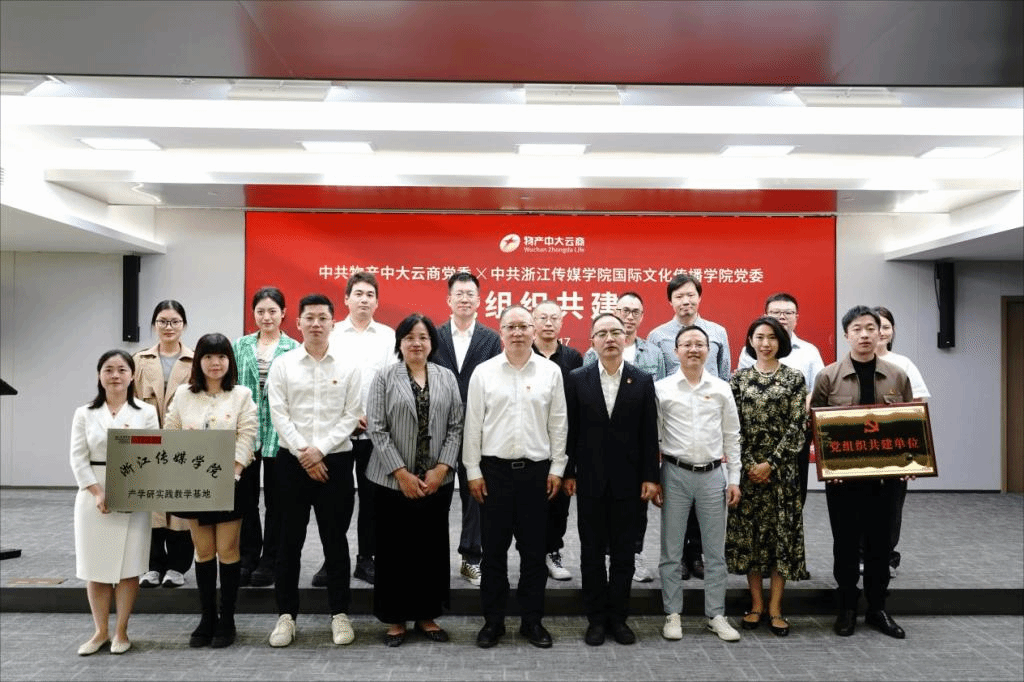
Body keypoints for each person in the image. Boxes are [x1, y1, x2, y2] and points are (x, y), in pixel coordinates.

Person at [463, 305, 568, 649]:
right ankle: (493, 622)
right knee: (493, 553)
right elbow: (473, 425)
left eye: (524, 326)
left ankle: (531, 622)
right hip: (493, 475)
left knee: (534, 554)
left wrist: (557, 468)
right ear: (501, 332)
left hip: (536, 475)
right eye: (511, 327)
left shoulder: (551, 372)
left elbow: (559, 423)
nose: (518, 332)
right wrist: (473, 471)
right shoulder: (484, 373)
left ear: (534, 331)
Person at [266, 294, 363, 648]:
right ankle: (286, 616)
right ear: (298, 323)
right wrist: (304, 453)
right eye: (310, 317)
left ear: (333, 322)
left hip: (335, 462)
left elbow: (352, 415)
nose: (316, 324)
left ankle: (339, 614)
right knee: (288, 541)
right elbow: (279, 414)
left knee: (335, 540)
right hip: (291, 462)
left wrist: (319, 450)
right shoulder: (283, 365)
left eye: (323, 317)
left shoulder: (349, 365)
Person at [810, 305, 913, 639]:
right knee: (846, 543)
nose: (865, 334)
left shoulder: (897, 375)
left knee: (880, 544)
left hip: (886, 478)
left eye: (871, 328)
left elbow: (908, 422)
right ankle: (847, 608)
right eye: (857, 329)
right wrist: (828, 465)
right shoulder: (828, 376)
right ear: (846, 335)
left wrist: (912, 461)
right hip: (844, 479)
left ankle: (878, 608)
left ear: (881, 332)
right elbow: (816, 427)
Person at [365, 313, 463, 647]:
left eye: (423, 337)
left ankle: (426, 615)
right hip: (392, 482)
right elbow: (377, 428)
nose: (416, 343)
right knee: (394, 550)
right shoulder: (384, 377)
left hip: (436, 482)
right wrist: (401, 473)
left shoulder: (446, 377)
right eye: (409, 337)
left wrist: (442, 468)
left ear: (432, 343)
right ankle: (396, 619)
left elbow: (456, 426)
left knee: (430, 549)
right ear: (400, 343)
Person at [564, 313, 660, 646]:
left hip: (629, 482)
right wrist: (568, 472)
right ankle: (595, 619)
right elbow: (570, 431)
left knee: (623, 553)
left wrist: (651, 477)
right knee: (591, 553)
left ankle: (618, 618)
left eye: (616, 332)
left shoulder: (642, 380)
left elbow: (649, 433)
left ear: (626, 338)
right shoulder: (577, 379)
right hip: (589, 480)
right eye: (602, 333)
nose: (610, 338)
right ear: (592, 341)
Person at [165, 333, 258, 649]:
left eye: (221, 356)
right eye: (208, 356)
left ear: (229, 360)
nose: (215, 363)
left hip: (232, 481)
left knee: (228, 550)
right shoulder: (183, 395)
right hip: (195, 483)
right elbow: (171, 432)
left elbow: (247, 435)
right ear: (198, 361)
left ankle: (227, 619)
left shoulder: (241, 394)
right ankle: (207, 618)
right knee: (203, 551)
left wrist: (234, 471)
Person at [655, 325, 743, 643]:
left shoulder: (721, 388)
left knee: (715, 552)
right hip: (674, 473)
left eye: (699, 344)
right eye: (687, 344)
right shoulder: (662, 388)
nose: (693, 349)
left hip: (712, 474)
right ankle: (672, 613)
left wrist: (734, 478)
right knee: (671, 550)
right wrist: (655, 478)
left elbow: (732, 435)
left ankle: (716, 615)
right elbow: (654, 436)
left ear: (709, 350)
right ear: (675, 351)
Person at [70, 350, 160, 656]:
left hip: (133, 489)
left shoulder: (146, 412)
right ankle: (100, 631)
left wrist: (132, 489)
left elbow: (152, 453)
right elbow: (78, 458)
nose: (115, 375)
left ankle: (121, 631)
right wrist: (96, 491)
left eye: (122, 369)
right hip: (93, 492)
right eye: (108, 369)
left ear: (132, 375)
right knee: (95, 567)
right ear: (99, 375)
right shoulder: (85, 412)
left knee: (128, 567)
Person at [311, 272, 396, 588]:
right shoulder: (333, 334)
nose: (364, 299)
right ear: (346, 299)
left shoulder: (388, 336)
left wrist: (373, 415)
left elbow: (393, 381)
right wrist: (349, 417)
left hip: (375, 432)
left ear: (377, 302)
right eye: (358, 293)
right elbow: (323, 380)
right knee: (336, 500)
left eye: (370, 294)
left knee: (372, 500)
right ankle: (332, 559)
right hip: (338, 433)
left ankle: (366, 559)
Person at [726, 316, 809, 637]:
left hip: (782, 474)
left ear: (781, 342)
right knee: (751, 540)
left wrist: (770, 463)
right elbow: (731, 425)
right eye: (759, 337)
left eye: (772, 337)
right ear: (750, 340)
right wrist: (749, 464)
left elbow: (797, 426)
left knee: (779, 540)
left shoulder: (794, 378)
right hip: (747, 475)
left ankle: (775, 607)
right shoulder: (738, 379)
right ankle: (756, 605)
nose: (765, 343)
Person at [648, 274, 731, 580]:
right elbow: (655, 379)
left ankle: (696, 555)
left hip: (708, 422)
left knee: (704, 496)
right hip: (675, 423)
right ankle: (679, 557)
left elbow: (725, 375)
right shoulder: (658, 336)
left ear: (699, 297)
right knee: (677, 498)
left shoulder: (718, 332)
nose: (686, 301)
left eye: (691, 295)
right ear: (670, 301)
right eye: (679, 296)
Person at [582, 291, 666, 582]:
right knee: (593, 540)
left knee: (630, 528)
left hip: (632, 461)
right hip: (594, 465)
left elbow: (653, 417)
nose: (629, 317)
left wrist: (651, 473)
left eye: (634, 312)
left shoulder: (650, 361)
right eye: (624, 311)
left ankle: (634, 556)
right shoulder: (585, 366)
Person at [434, 272, 503, 587]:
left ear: (479, 300)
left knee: (476, 495)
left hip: (478, 429)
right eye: (459, 294)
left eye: (470, 294)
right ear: (449, 299)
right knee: (435, 495)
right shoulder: (434, 335)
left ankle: (471, 559)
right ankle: (431, 559)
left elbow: (496, 383)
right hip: (439, 430)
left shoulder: (490, 338)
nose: (464, 299)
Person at [233, 287, 299, 588]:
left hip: (279, 432)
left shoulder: (294, 348)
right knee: (245, 498)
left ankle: (270, 560)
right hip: (246, 432)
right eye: (260, 311)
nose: (266, 317)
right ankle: (247, 556)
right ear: (254, 314)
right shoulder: (241, 345)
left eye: (272, 311)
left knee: (277, 501)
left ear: (283, 313)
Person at [736, 293, 825, 505]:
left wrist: (800, 408)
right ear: (765, 315)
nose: (782, 317)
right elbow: (742, 391)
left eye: (788, 313)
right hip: (755, 435)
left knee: (793, 493)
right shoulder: (749, 351)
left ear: (797, 317)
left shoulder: (809, 351)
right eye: (776, 312)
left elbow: (818, 387)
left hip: (794, 433)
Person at [132, 300, 195, 588]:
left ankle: (178, 567)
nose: (169, 327)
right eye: (163, 321)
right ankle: (152, 566)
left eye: (175, 321)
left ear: (184, 325)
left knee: (180, 509)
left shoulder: (195, 360)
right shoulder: (139, 360)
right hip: (147, 444)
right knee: (151, 509)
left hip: (182, 445)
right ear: (154, 324)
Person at [874, 305, 931, 577]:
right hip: (859, 452)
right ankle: (861, 557)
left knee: (891, 506)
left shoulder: (904, 364)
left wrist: (914, 456)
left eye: (885, 326)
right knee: (859, 508)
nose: (879, 332)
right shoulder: (847, 366)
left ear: (893, 330)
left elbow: (916, 409)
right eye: (872, 327)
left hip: (894, 451)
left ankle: (887, 557)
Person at [532, 300, 583, 582]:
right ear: (533, 322)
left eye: (554, 318)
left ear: (562, 323)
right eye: (542, 318)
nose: (548, 323)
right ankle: (532, 554)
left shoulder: (573, 358)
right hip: (531, 442)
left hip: (563, 442)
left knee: (559, 504)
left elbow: (577, 408)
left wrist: (571, 466)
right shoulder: (524, 354)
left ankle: (553, 551)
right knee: (531, 506)